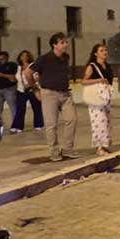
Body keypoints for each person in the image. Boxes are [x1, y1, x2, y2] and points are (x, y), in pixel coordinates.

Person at [27, 33, 79, 161]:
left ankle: (67, 149)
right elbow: (27, 72)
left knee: (72, 119)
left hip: (65, 93)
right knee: (51, 124)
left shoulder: (66, 57)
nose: (66, 44)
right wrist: (35, 89)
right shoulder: (44, 58)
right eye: (62, 42)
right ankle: (54, 151)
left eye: (66, 42)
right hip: (49, 94)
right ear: (54, 45)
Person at [83, 43, 114, 156]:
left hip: (106, 97)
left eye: (105, 50)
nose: (104, 52)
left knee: (107, 122)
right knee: (99, 122)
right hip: (96, 98)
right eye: (101, 50)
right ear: (95, 53)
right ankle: (99, 147)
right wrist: (98, 80)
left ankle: (104, 145)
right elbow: (84, 81)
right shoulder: (92, 66)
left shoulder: (107, 65)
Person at [12, 50, 44, 132]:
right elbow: (16, 78)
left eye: (26, 55)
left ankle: (39, 125)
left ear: (29, 57)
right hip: (21, 90)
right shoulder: (18, 67)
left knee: (36, 107)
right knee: (20, 109)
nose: (24, 57)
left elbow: (37, 77)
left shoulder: (33, 66)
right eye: (22, 55)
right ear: (19, 57)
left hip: (32, 89)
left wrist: (31, 85)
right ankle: (18, 126)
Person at [0, 50, 20, 133]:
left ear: (7, 58)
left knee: (13, 108)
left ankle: (16, 126)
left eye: (2, 59)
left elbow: (14, 77)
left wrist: (2, 75)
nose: (1, 61)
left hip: (9, 89)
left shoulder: (12, 65)